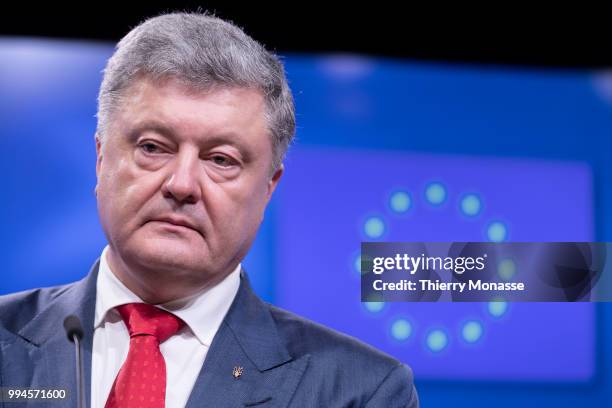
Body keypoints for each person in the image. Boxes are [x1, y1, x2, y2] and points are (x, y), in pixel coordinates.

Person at [0, 12, 418, 407]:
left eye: (221, 159)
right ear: (101, 159)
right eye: (152, 147)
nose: (181, 184)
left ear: (269, 188)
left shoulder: (358, 392)